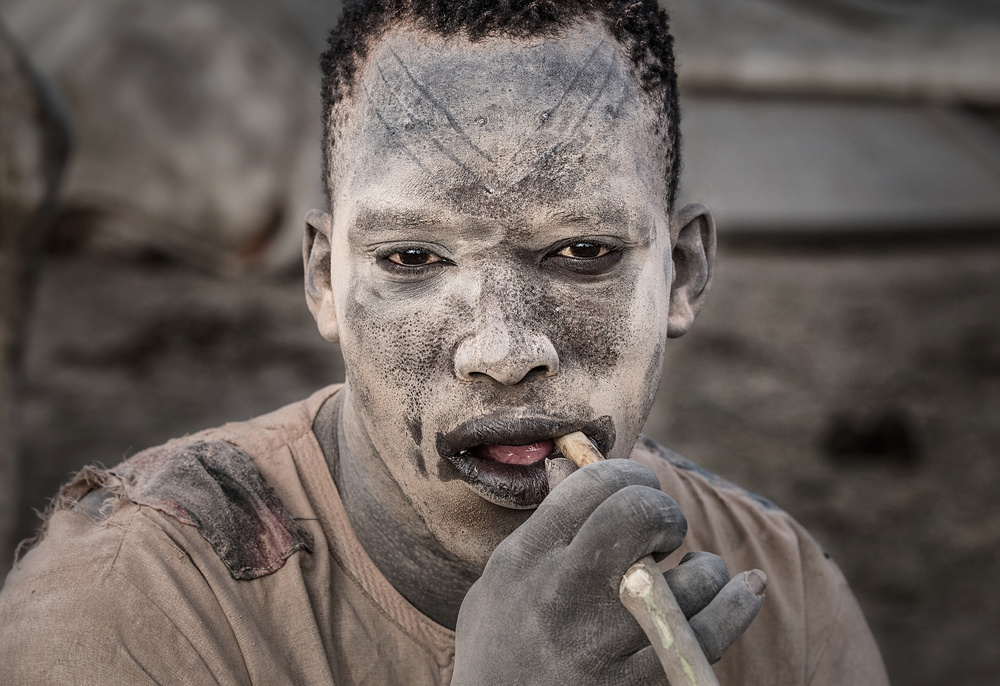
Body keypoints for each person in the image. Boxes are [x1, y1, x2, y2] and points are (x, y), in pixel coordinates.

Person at [0, 1, 889, 683]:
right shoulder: (133, 604)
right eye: (413, 257)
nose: (502, 352)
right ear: (324, 281)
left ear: (685, 274)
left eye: (582, 252)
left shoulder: (784, 596)